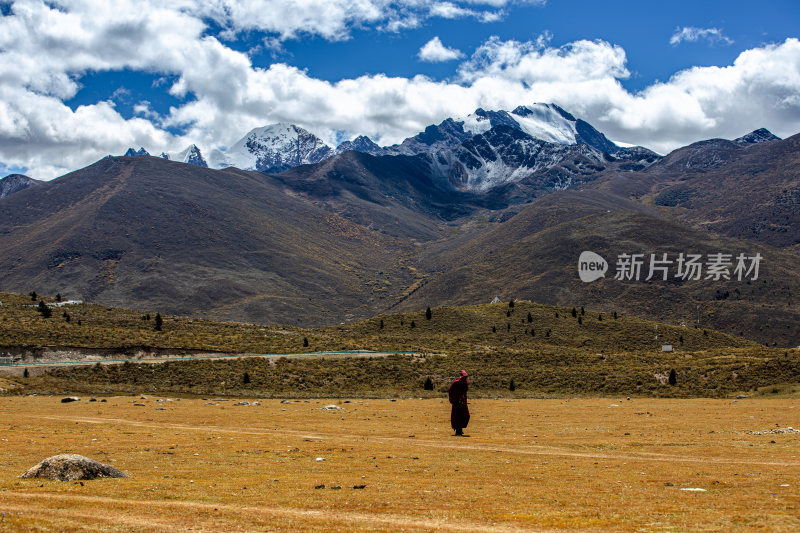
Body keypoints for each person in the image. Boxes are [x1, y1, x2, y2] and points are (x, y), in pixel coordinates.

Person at [448, 370, 470, 436]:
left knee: (465, 416)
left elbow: (464, 392)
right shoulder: (456, 382)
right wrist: (454, 399)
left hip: (462, 402)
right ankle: (458, 431)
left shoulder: (465, 383)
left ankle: (460, 430)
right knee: (457, 417)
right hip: (456, 402)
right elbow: (450, 391)